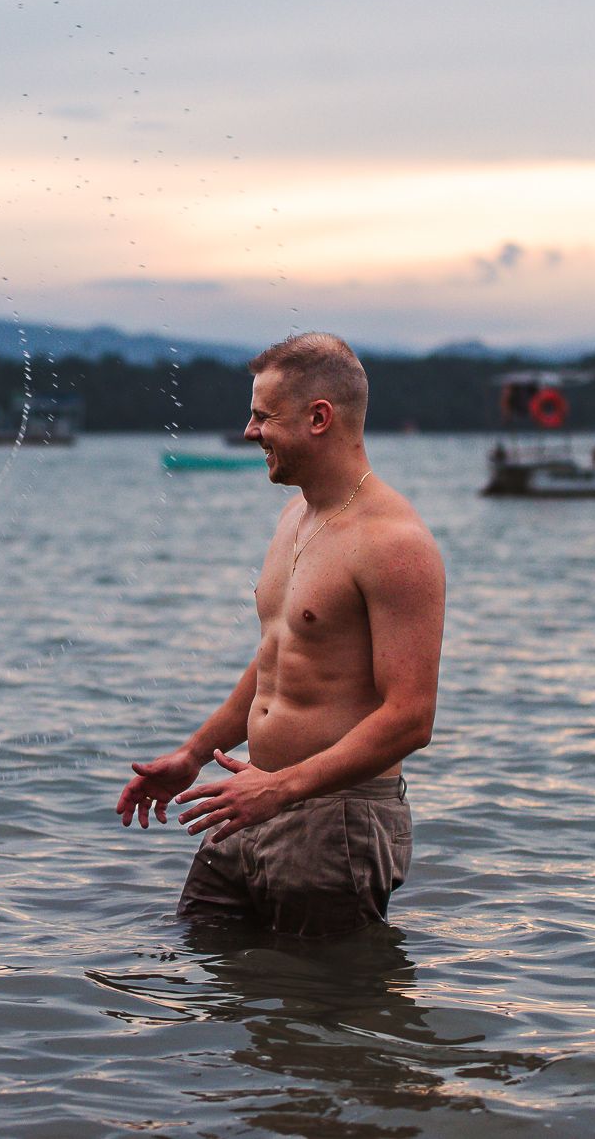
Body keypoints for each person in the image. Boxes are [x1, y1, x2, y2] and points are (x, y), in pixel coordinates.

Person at [116, 333, 445, 937]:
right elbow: (277, 657)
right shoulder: (295, 517)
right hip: (251, 804)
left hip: (334, 821)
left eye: (263, 416)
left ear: (319, 418)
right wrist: (193, 754)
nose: (249, 432)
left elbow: (410, 718)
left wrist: (283, 789)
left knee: (324, 1015)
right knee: (200, 977)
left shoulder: (394, 543)